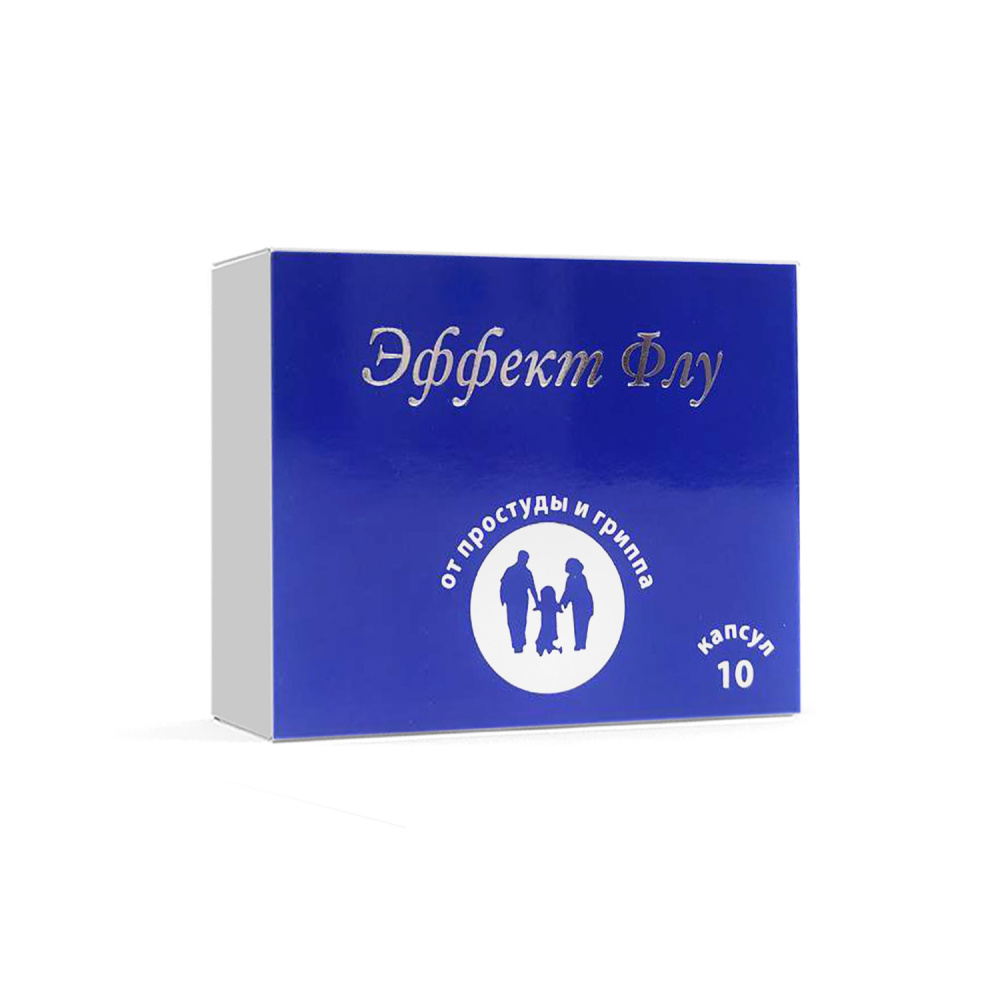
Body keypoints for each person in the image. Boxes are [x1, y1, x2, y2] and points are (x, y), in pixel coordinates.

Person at [499, 550, 539, 653]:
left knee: (521, 621)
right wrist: (502, 598)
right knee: (512, 621)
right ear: (519, 558)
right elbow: (503, 584)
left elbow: (532, 588)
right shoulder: (510, 570)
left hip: (522, 600)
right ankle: (516, 643)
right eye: (524, 558)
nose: (525, 561)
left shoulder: (527, 572)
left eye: (527, 559)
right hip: (512, 600)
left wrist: (537, 601)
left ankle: (520, 643)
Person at [559, 557, 594, 651]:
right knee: (578, 624)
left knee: (582, 624)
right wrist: (562, 602)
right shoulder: (570, 578)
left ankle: (581, 644)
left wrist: (563, 602)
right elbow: (567, 592)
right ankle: (579, 643)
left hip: (584, 605)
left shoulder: (580, 578)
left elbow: (572, 591)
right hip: (577, 605)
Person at [533, 586, 563, 656]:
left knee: (544, 639)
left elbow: (539, 606)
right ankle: (554, 649)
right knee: (546, 639)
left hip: (546, 625)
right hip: (550, 625)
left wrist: (537, 606)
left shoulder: (545, 605)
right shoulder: (552, 605)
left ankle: (552, 649)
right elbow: (558, 608)